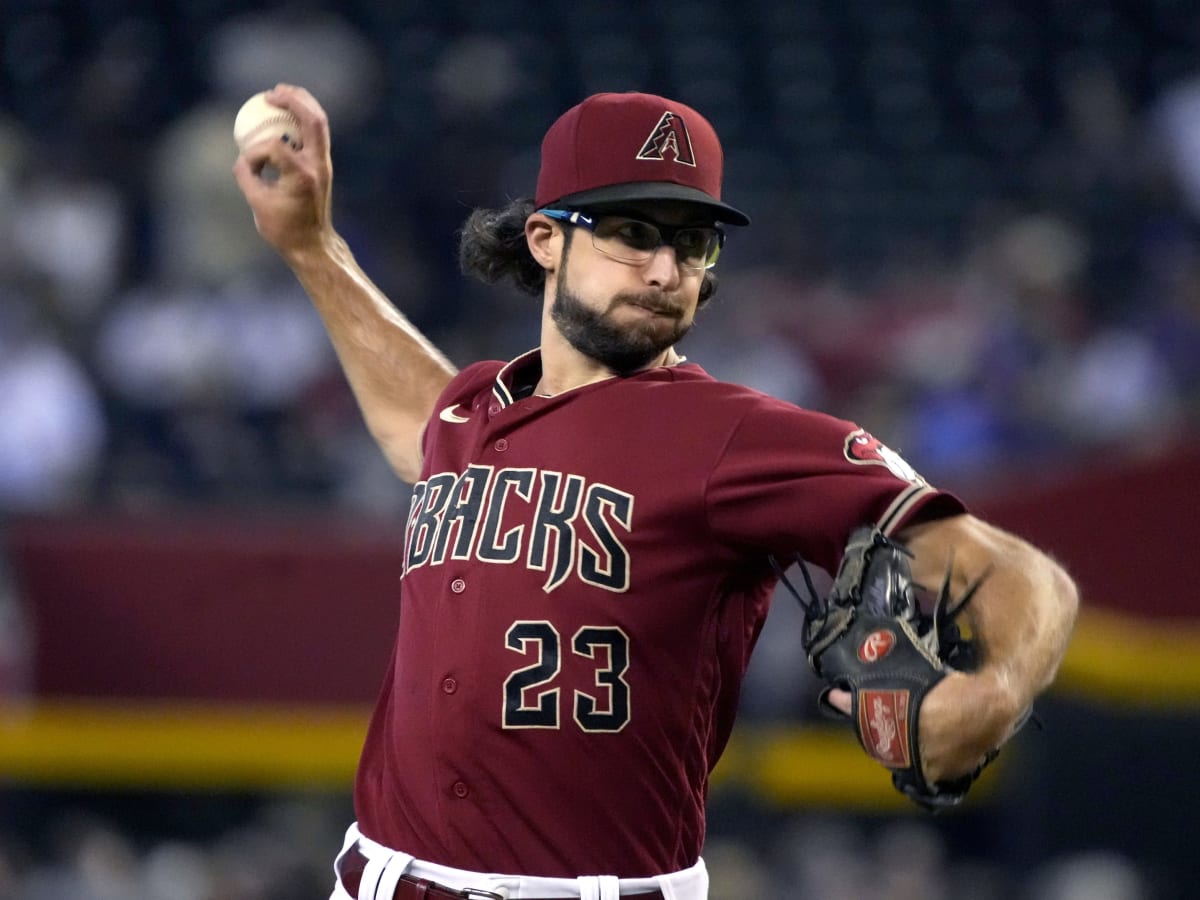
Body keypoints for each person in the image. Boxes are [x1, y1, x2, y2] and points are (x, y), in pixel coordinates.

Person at [233, 84, 1079, 900]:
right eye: (631, 232)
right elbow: (417, 412)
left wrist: (996, 691)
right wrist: (314, 248)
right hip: (372, 875)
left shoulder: (736, 436)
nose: (667, 268)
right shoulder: (474, 408)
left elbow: (1026, 579)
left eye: (693, 241)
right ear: (543, 239)